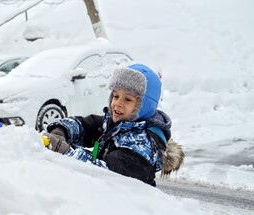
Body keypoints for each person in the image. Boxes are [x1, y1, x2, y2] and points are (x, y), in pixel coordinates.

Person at [43, 63, 184, 186]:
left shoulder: (140, 148)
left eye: (127, 99)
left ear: (144, 106)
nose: (117, 103)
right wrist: (62, 130)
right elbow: (88, 125)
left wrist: (64, 151)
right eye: (116, 96)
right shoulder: (118, 125)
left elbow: (101, 172)